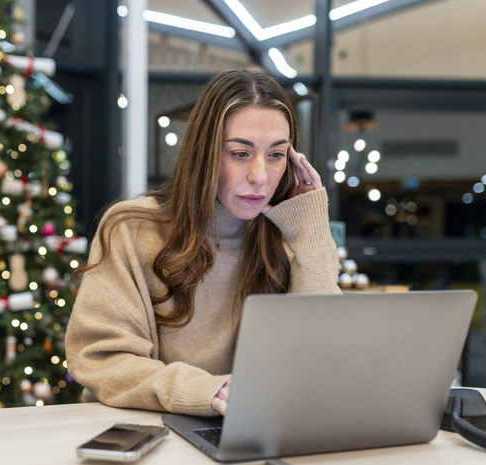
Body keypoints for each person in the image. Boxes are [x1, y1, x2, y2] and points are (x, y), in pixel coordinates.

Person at [64, 68, 341, 417]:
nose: (260, 177)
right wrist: (208, 391)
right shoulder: (132, 228)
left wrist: (311, 233)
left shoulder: (289, 237)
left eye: (276, 155)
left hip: (257, 431)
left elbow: (321, 360)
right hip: (151, 430)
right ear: (205, 153)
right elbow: (100, 358)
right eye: (240, 153)